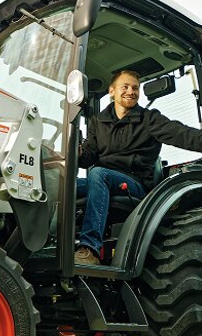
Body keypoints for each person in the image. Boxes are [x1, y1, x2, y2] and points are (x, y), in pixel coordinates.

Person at [76, 69, 202, 265]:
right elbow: (89, 155)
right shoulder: (98, 121)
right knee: (63, 184)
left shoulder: (149, 119)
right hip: (102, 181)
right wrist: (79, 153)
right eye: (125, 87)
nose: (131, 91)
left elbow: (181, 134)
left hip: (134, 182)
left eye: (135, 88)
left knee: (98, 174)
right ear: (112, 91)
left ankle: (89, 248)